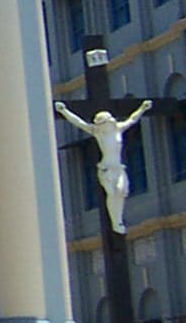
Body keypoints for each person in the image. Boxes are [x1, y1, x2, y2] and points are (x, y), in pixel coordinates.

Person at [53, 99, 151, 234]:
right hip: (107, 169)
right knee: (112, 193)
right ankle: (116, 222)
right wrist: (63, 111)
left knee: (121, 191)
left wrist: (143, 108)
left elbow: (132, 119)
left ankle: (118, 219)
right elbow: (78, 122)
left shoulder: (118, 129)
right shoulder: (97, 132)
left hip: (118, 168)